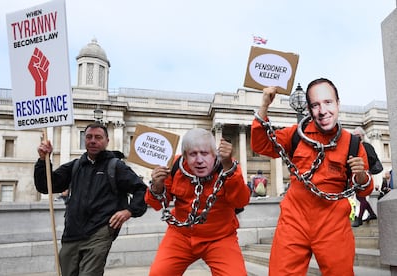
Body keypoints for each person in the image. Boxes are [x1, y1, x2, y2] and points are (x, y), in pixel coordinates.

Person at [251, 78, 374, 276]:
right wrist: (265, 104)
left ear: (337, 104)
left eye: (328, 102)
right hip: (294, 221)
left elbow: (366, 188)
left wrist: (360, 175)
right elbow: (261, 144)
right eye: (315, 105)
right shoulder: (296, 135)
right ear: (309, 109)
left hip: (333, 224)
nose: (323, 110)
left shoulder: (352, 143)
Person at [34, 123, 148, 276]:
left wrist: (129, 211)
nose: (93, 141)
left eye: (98, 137)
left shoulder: (116, 167)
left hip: (99, 233)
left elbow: (141, 189)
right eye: (88, 137)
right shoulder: (75, 166)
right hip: (71, 234)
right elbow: (45, 185)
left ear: (107, 141)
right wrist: (43, 160)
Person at [145, 128, 251, 276]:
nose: (199, 160)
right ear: (185, 156)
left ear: (214, 154)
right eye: (193, 154)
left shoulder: (228, 166)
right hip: (180, 236)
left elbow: (241, 201)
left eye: (205, 153)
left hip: (219, 237)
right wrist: (157, 186)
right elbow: (157, 205)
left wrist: (229, 170)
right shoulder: (174, 166)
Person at [351, 126, 380, 227]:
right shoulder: (356, 147)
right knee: (360, 197)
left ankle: (359, 218)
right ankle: (371, 214)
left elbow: (373, 158)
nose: (356, 137)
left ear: (362, 136)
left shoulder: (366, 145)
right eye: (354, 136)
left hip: (365, 173)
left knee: (361, 196)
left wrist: (366, 167)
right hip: (356, 175)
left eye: (358, 135)